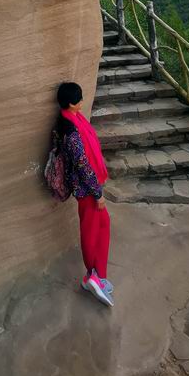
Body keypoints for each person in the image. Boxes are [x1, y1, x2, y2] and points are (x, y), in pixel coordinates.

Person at [51, 81, 113, 307]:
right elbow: (82, 164)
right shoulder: (71, 132)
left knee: (101, 225)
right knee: (91, 230)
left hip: (89, 186)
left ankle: (98, 275)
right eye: (78, 100)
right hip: (86, 189)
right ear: (70, 103)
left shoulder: (71, 120)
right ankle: (92, 276)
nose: (81, 102)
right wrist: (98, 194)